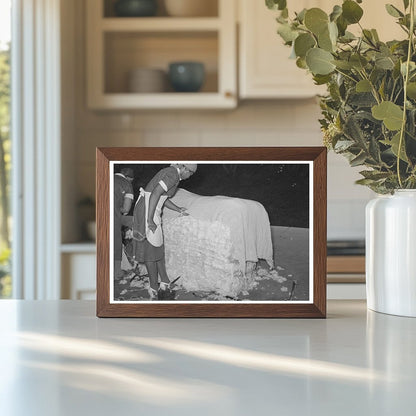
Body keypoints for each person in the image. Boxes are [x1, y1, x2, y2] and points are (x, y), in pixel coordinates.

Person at [132, 163, 197, 299]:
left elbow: (162, 198)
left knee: (158, 247)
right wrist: (150, 219)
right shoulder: (172, 173)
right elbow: (155, 193)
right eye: (190, 172)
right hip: (147, 211)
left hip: (152, 209)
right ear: (184, 168)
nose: (190, 176)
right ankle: (153, 287)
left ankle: (165, 280)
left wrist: (178, 209)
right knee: (151, 250)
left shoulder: (174, 174)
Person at [114, 167, 134, 280]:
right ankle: (116, 273)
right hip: (113, 216)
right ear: (129, 178)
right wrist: (118, 208)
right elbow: (126, 209)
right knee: (116, 242)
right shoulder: (126, 184)